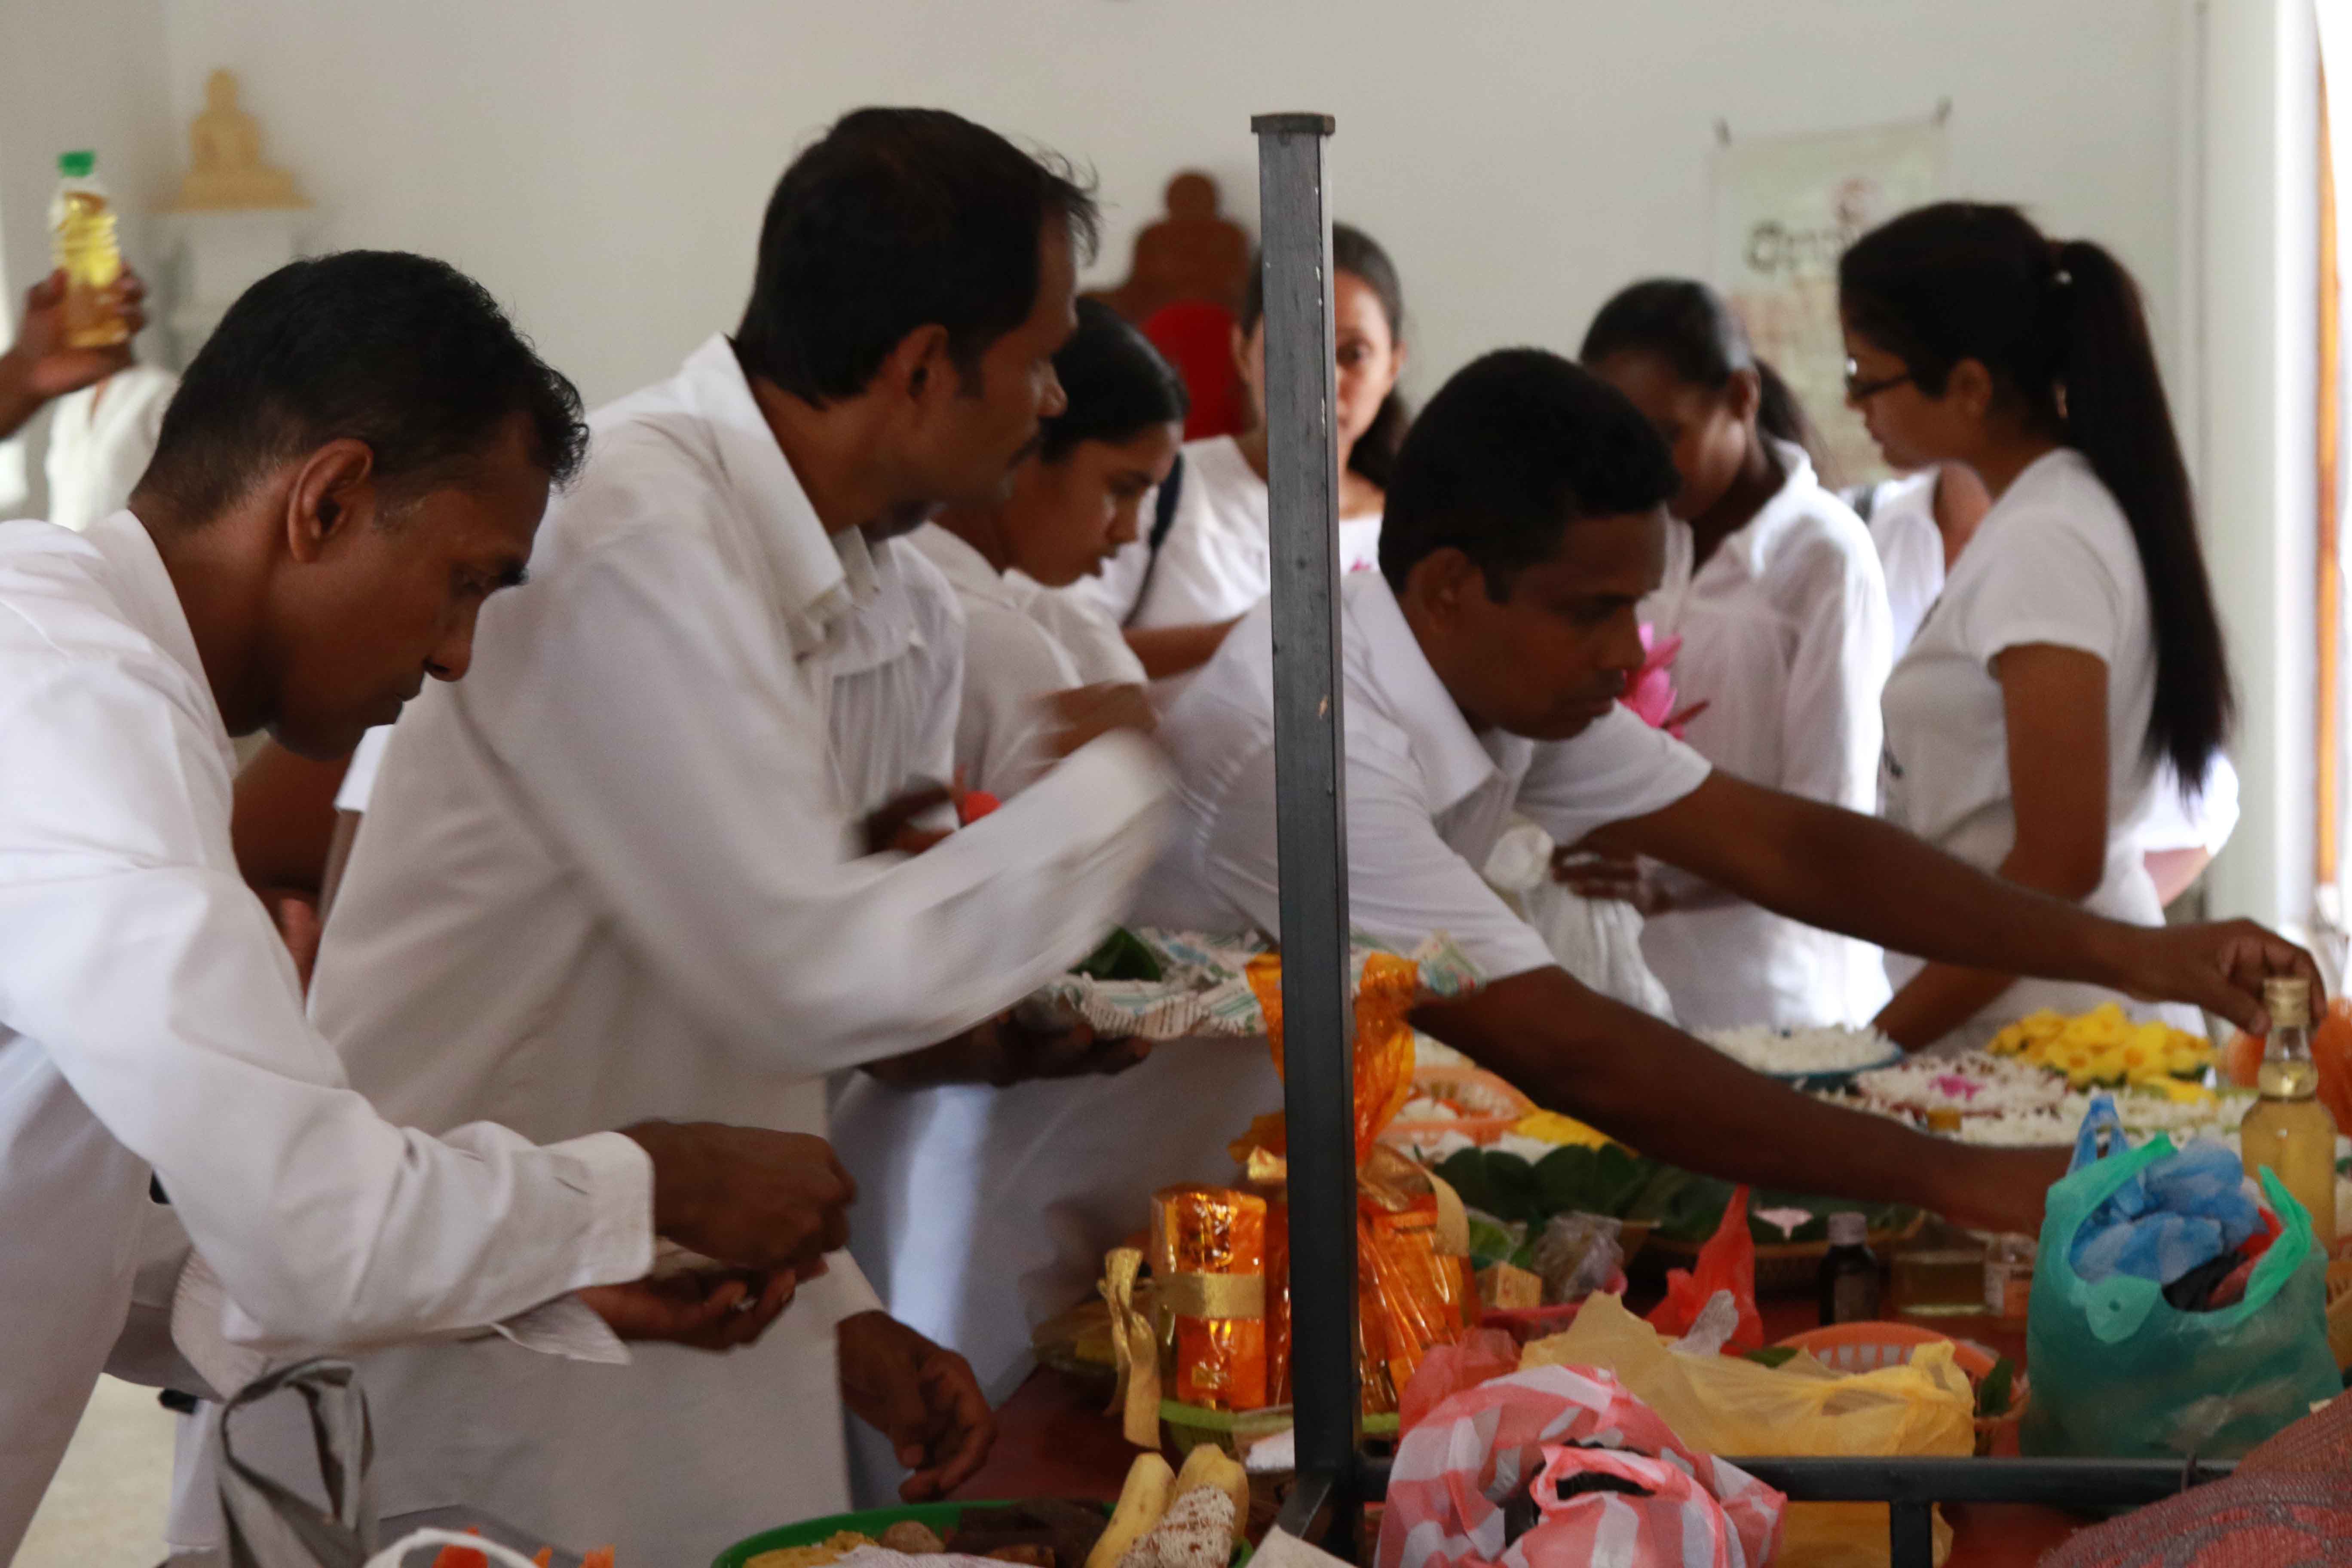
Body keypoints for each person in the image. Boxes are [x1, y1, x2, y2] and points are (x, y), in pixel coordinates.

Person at [239, 110, 1171, 1568]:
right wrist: (1116, 785)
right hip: (474, 1328)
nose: (1052, 398)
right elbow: (803, 969)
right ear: (925, 365)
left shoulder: (899, 601)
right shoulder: (629, 531)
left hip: (687, 1313)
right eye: (1040, 355)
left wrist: (839, 1309)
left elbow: (753, 1006)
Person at [0, 250, 867, 1562]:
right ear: (329, 501)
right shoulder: (82, 708)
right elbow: (315, 1227)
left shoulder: (72, 655)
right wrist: (655, 1177)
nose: (459, 654)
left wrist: (549, 1266)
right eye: (465, 580)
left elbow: (78, 1245)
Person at [1139, 347, 2313, 1236]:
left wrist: (2136, 954)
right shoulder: (1310, 748)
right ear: (1449, 587)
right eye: (1592, 611)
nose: (1627, 653)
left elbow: (1788, 848)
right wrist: (1958, 1177)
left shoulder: (1492, 678)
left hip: (1237, 1190)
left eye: (1635, 605)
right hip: (1111, 1217)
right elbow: (1570, 1049)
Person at [831, 301, 1186, 1444]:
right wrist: (1125, 781)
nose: (1128, 531)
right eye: (1118, 486)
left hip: (889, 1110)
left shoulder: (971, 608)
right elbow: (987, 922)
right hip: (923, 1131)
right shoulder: (974, 623)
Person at [1842, 202, 2238, 1050]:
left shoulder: (2045, 539)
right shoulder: (2045, 516)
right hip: (2030, 1016)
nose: (1851, 404)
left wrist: (1874, 1045)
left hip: (2060, 1033)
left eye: (1867, 377)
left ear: (1970, 386)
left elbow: (2059, 860)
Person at [1578, 279, 1894, 1030]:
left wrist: (1666, 884)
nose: (1640, 472)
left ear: (1742, 398)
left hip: (1779, 993)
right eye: (1618, 446)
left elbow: (1828, 819)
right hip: (1634, 980)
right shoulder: (1636, 539)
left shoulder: (1823, 555)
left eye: (1665, 437)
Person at [1852, 459, 2239, 910]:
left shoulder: (2050, 543)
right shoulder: (1867, 524)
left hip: (1998, 939)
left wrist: (2094, 929)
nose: (1863, 415)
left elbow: (2199, 806)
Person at [1076, 223, 1407, 689]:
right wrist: (1244, 636)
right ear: (1241, 351)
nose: (1321, 379)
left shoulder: (1409, 531)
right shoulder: (1161, 486)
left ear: (1393, 366)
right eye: (1292, 346)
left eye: (1353, 354)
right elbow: (1067, 645)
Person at [908, 297, 1183, 795]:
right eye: (1122, 489)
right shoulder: (1001, 644)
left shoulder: (1054, 620)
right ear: (1027, 446)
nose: (1128, 532)